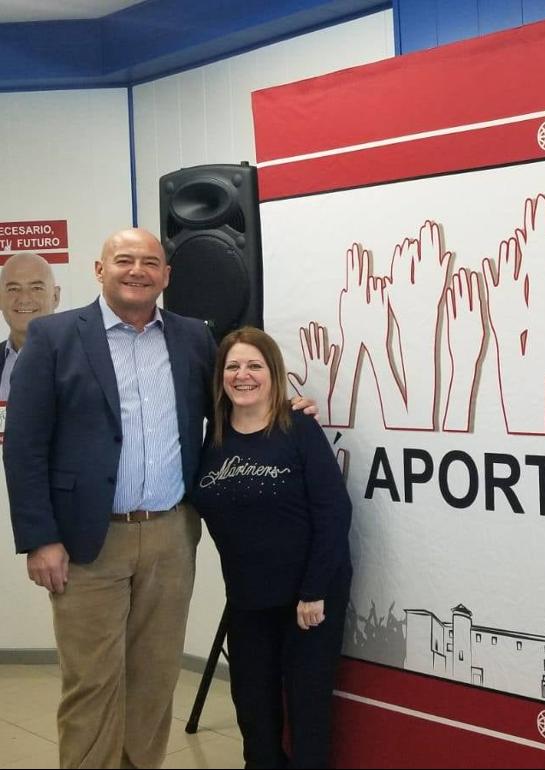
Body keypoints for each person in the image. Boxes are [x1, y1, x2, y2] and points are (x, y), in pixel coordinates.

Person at [4, 228, 314, 769]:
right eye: (123, 260)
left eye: (151, 262)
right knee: (92, 686)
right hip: (85, 543)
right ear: (100, 271)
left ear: (166, 276)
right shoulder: (54, 336)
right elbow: (25, 446)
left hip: (172, 535)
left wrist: (288, 408)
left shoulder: (193, 336)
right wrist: (41, 538)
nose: (137, 270)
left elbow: (233, 402)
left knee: (154, 681)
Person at [191, 327, 352, 769]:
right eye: (233, 366)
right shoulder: (212, 438)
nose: (243, 375)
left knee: (307, 711)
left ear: (273, 373)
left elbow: (334, 512)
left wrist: (314, 590)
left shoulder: (297, 426)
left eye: (254, 365)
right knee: (253, 710)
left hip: (309, 597)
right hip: (247, 599)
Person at [0, 251, 61, 400]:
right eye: (13, 289)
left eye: (36, 288)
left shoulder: (82, 360)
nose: (24, 298)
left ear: (55, 296)